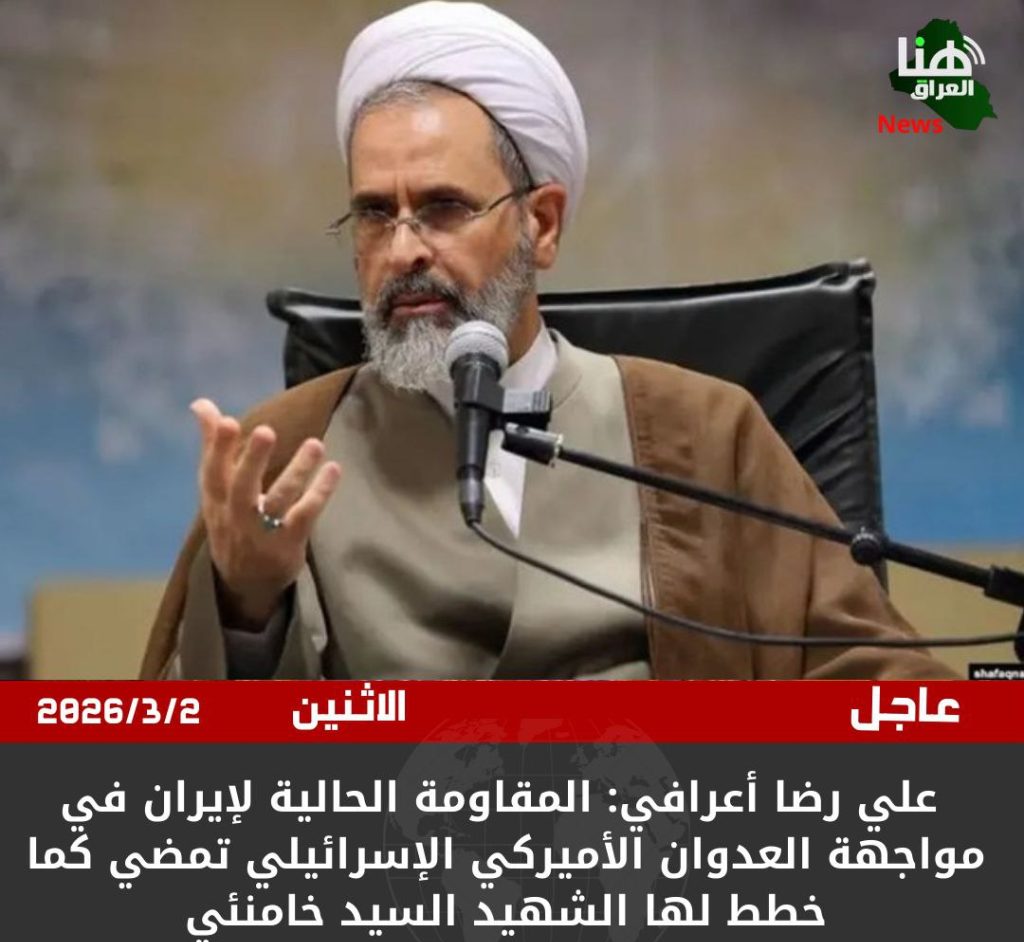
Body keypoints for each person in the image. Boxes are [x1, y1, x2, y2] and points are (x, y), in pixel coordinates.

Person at [141, 1, 954, 681]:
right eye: (375, 214)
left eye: (444, 207)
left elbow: (878, 685)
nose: (403, 249)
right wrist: (247, 606)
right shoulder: (285, 451)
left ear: (543, 223)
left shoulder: (706, 433)